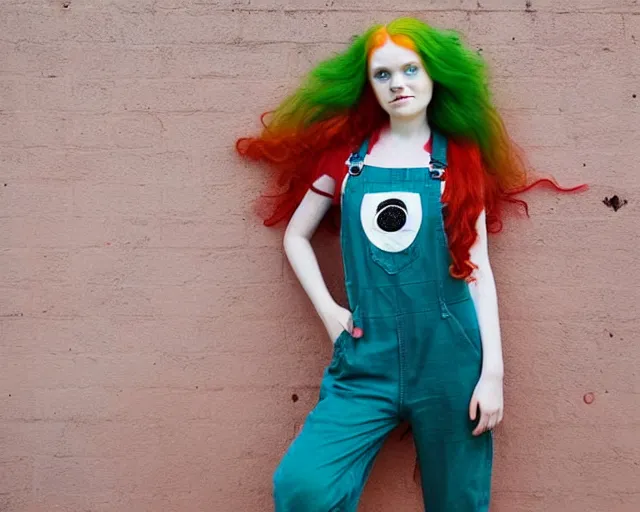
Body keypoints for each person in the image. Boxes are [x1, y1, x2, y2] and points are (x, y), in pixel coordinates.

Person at [236, 17, 584, 512]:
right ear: (367, 86)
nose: (398, 84)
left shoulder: (461, 160)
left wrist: (493, 374)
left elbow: (477, 267)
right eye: (383, 75)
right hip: (366, 354)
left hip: (450, 357)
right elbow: (295, 236)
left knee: (457, 501)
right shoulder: (344, 159)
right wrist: (329, 310)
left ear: (435, 75)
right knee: (304, 487)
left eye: (410, 69)